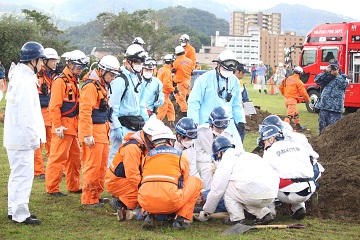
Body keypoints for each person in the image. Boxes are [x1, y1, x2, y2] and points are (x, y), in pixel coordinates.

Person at [4, 41, 46, 224]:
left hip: (15, 135)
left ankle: (14, 209)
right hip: (22, 137)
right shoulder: (25, 80)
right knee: (23, 175)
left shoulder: (19, 76)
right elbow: (27, 113)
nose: (43, 64)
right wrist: (32, 138)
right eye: (41, 60)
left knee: (17, 175)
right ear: (33, 60)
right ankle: (20, 214)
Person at [198, 136, 279, 225]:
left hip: (253, 192)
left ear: (219, 153)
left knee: (227, 186)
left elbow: (217, 190)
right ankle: (264, 214)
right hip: (272, 194)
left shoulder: (227, 160)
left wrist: (207, 211)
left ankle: (236, 218)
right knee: (241, 192)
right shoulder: (249, 155)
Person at [138, 126, 202, 230]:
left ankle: (148, 215)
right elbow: (184, 180)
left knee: (148, 185)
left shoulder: (147, 157)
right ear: (170, 141)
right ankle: (180, 220)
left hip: (146, 202)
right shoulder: (180, 156)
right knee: (195, 181)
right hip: (170, 202)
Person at [46, 50, 89, 196]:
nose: (80, 70)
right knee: (58, 158)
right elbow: (54, 106)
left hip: (73, 125)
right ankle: (52, 188)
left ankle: (74, 185)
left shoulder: (73, 80)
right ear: (70, 64)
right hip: (63, 125)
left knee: (75, 158)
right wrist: (57, 126)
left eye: (82, 68)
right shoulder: (61, 81)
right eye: (78, 67)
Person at [79, 55, 120, 207]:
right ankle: (88, 198)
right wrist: (87, 134)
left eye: (114, 75)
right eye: (111, 74)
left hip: (102, 130)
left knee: (102, 166)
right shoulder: (91, 86)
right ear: (102, 71)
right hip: (94, 131)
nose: (113, 77)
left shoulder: (101, 85)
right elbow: (85, 112)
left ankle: (96, 195)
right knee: (92, 166)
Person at [105, 118, 165, 217]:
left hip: (131, 179)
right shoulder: (132, 148)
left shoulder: (146, 144)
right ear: (148, 135)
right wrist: (148, 188)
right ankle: (121, 201)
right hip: (118, 181)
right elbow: (132, 176)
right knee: (150, 196)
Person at [187, 49, 246, 148]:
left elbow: (236, 104)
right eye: (225, 69)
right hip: (206, 123)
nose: (227, 72)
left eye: (230, 70)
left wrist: (240, 121)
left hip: (227, 123)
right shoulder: (204, 79)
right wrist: (194, 124)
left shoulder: (234, 80)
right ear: (218, 65)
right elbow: (193, 103)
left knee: (237, 149)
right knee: (209, 152)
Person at [258, 125, 317, 220]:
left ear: (272, 139)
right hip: (309, 189)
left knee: (264, 179)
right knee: (295, 176)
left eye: (264, 142)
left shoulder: (271, 151)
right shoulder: (296, 145)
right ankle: (299, 207)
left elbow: (264, 173)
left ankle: (270, 210)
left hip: (290, 192)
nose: (264, 145)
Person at [108, 44, 148, 166]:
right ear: (128, 61)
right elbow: (112, 107)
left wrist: (146, 121)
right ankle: (112, 178)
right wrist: (116, 127)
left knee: (134, 155)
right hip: (122, 124)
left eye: (141, 62)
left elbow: (141, 104)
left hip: (136, 124)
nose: (139, 64)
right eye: (136, 62)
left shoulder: (138, 79)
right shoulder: (120, 80)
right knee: (117, 154)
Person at [260, 115, 324, 188]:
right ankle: (310, 186)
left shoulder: (289, 139)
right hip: (310, 169)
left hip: (309, 168)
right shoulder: (296, 136)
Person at [194, 107, 236, 190]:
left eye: (224, 125)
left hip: (221, 161)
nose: (221, 130)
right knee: (207, 170)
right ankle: (207, 193)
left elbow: (231, 154)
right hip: (203, 162)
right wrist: (212, 159)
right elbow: (197, 153)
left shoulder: (229, 135)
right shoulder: (200, 132)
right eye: (218, 125)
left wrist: (218, 163)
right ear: (211, 124)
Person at [33, 47, 59, 179]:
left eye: (55, 60)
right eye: (52, 60)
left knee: (52, 142)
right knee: (38, 142)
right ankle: (38, 171)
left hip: (51, 111)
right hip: (40, 111)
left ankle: (52, 168)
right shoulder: (36, 75)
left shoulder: (54, 76)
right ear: (45, 60)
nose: (55, 63)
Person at [314, 59, 349, 134]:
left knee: (335, 132)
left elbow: (344, 85)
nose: (332, 68)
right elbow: (317, 80)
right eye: (331, 66)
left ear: (338, 67)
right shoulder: (326, 76)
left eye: (334, 66)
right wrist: (325, 71)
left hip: (336, 109)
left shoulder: (343, 77)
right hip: (324, 107)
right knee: (322, 131)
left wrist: (337, 75)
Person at [279, 66, 310, 131]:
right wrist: (307, 99)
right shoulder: (298, 82)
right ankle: (283, 129)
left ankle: (298, 126)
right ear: (300, 74)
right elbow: (303, 93)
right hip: (292, 100)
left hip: (287, 100)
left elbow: (280, 87)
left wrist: (284, 94)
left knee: (295, 113)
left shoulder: (287, 78)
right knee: (289, 115)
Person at [156, 54, 177, 127]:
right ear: (171, 62)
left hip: (162, 94)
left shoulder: (161, 69)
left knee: (170, 108)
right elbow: (166, 85)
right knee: (162, 111)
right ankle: (154, 125)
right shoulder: (167, 71)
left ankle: (172, 123)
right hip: (163, 94)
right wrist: (174, 89)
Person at [173, 45, 193, 117]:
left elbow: (174, 70)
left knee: (181, 99)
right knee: (187, 97)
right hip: (188, 81)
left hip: (181, 82)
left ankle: (185, 114)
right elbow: (191, 70)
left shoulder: (176, 62)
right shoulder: (190, 61)